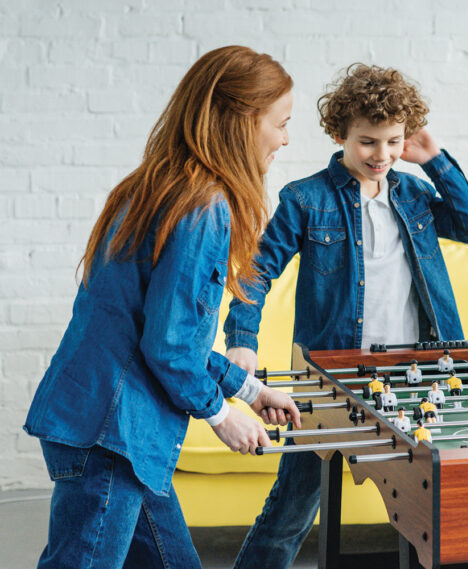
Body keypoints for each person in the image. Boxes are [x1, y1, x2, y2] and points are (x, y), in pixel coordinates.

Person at [21, 46, 301, 569]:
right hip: (114, 433)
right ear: (243, 121)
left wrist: (250, 389)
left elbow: (174, 335)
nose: (285, 139)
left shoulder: (156, 186)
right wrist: (222, 416)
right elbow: (168, 345)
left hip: (114, 430)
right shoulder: (205, 207)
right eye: (281, 124)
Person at [224, 63, 468, 569]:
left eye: (393, 142)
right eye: (368, 142)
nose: (382, 155)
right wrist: (242, 338)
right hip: (333, 375)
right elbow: (255, 273)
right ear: (339, 133)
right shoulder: (306, 199)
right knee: (293, 508)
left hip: (418, 373)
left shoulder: (413, 193)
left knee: (433, 505)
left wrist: (432, 159)